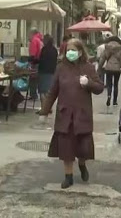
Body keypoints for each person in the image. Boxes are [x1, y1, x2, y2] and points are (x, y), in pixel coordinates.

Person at [39, 38, 104, 189]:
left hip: (82, 115)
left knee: (83, 149)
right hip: (65, 115)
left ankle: (82, 165)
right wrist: (44, 111)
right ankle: (68, 177)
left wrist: (88, 83)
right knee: (66, 148)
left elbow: (100, 88)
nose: (70, 53)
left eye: (73, 50)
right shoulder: (61, 68)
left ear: (80, 52)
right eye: (68, 50)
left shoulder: (88, 68)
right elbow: (52, 92)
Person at [99, 36, 121, 107]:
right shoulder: (120, 49)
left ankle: (108, 96)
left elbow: (102, 58)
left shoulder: (107, 48)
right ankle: (115, 101)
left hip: (108, 68)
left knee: (109, 84)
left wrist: (99, 67)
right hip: (117, 69)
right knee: (116, 85)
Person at [37, 34, 58, 114]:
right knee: (49, 91)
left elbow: (40, 60)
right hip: (52, 72)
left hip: (43, 72)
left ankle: (44, 108)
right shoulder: (54, 50)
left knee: (42, 91)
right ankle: (49, 107)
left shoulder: (44, 49)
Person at [28, 28, 44, 100]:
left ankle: (33, 95)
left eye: (29, 34)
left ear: (32, 33)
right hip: (40, 62)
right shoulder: (40, 41)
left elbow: (33, 54)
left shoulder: (34, 40)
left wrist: (30, 61)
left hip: (35, 63)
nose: (28, 36)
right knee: (37, 79)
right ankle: (38, 94)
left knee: (33, 79)